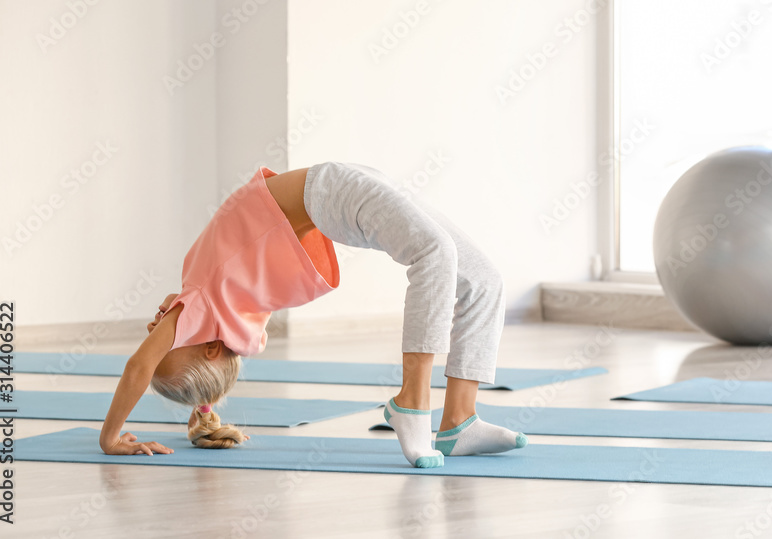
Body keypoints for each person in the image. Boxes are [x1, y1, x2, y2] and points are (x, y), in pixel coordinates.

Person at [98, 161, 527, 467]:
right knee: (435, 252)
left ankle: (458, 421)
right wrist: (110, 437)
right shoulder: (208, 312)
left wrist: (202, 406)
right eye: (167, 344)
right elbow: (139, 365)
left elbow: (186, 360)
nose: (156, 331)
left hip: (338, 184)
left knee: (483, 278)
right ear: (210, 348)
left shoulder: (207, 304)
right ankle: (411, 405)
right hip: (330, 190)